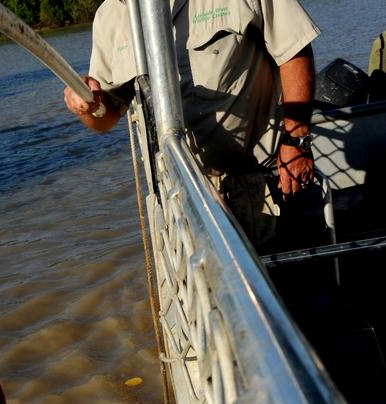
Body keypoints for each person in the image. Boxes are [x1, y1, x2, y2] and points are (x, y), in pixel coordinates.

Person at [64, 0, 320, 247]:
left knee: (280, 282)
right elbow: (105, 118)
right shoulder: (110, 15)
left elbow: (294, 50)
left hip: (266, 182)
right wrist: (89, 103)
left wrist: (296, 141)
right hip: (179, 200)